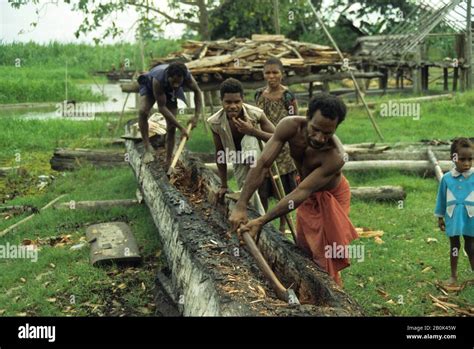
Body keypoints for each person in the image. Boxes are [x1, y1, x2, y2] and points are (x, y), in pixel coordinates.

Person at [229, 93, 358, 286]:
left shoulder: (336, 157)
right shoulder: (289, 126)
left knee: (325, 253)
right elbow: (263, 163)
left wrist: (262, 221)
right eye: (315, 129)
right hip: (306, 190)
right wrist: (241, 205)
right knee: (306, 246)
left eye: (328, 133)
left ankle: (334, 299)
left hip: (329, 196)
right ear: (308, 117)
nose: (320, 138)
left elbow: (301, 192)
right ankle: (309, 286)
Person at [207, 78, 275, 214]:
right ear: (221, 101)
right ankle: (260, 222)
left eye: (237, 102)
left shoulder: (255, 114)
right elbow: (220, 153)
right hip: (237, 159)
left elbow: (277, 137)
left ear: (242, 100)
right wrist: (224, 184)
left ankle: (250, 183)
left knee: (249, 138)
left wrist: (252, 131)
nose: (233, 106)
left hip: (259, 158)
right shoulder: (215, 122)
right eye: (228, 102)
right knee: (248, 197)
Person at [255, 57, 298, 233]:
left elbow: (295, 120)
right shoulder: (259, 95)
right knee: (263, 188)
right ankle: (264, 222)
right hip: (265, 143)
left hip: (285, 149)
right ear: (263, 75)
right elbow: (256, 117)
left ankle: (282, 224)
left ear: (282, 74)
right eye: (268, 73)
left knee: (285, 191)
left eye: (275, 72)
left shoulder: (288, 96)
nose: (271, 76)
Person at [137, 62, 203, 167]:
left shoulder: (186, 76)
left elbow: (197, 92)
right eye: (173, 82)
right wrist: (181, 128)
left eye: (178, 82)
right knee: (143, 111)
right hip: (150, 87)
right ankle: (147, 147)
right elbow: (162, 107)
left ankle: (168, 161)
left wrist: (196, 116)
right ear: (168, 76)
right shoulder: (158, 80)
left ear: (183, 77)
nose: (176, 85)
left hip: (169, 91)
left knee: (171, 127)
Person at [434, 137, 474, 285]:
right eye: (462, 159)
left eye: (470, 159)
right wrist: (440, 217)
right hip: (453, 217)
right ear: (453, 158)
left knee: (471, 246)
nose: (467, 163)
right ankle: (453, 276)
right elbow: (441, 200)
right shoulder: (446, 179)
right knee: (454, 246)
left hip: (471, 217)